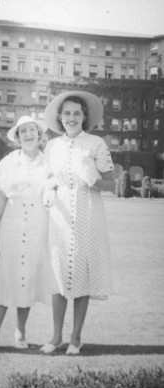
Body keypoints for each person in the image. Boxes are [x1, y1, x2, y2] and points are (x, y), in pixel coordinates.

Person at [40, 91, 115, 356]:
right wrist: (48, 191)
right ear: (60, 117)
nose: (71, 118)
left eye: (76, 113)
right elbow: (48, 178)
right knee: (59, 273)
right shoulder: (52, 146)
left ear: (84, 117)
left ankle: (75, 337)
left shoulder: (96, 144)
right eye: (67, 113)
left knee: (81, 272)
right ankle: (56, 336)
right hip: (60, 215)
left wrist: (94, 179)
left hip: (88, 211)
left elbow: (112, 183)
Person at [0, 115, 51, 351]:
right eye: (23, 132)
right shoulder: (8, 162)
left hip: (38, 228)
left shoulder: (49, 163)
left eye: (32, 130)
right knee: (5, 279)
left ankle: (21, 332)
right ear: (17, 137)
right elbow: (0, 197)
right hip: (11, 226)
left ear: (39, 134)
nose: (28, 135)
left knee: (27, 279)